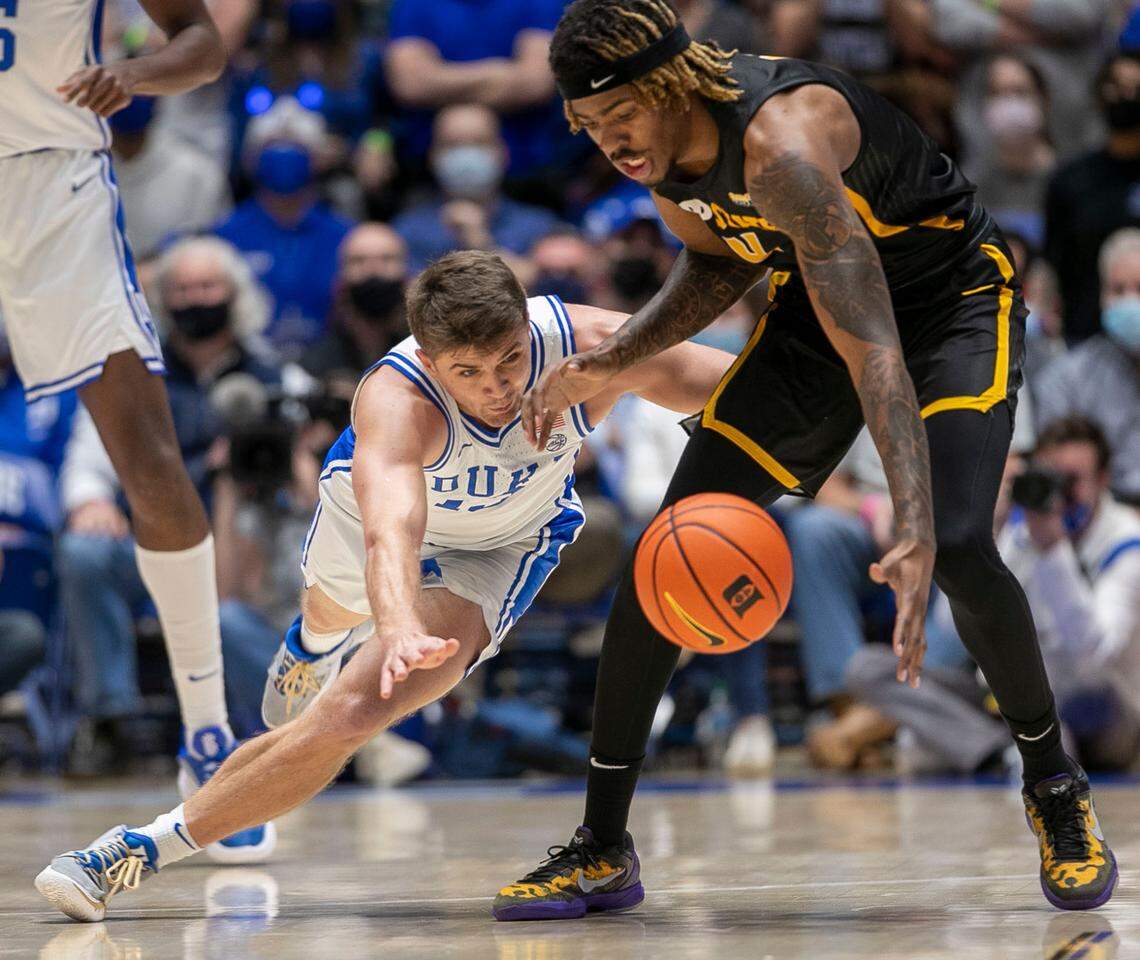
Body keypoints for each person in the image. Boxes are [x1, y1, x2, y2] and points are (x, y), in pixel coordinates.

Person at [505, 0, 1117, 918]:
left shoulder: (781, 147)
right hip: (821, 307)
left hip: (949, 303)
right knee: (661, 557)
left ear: (668, 86)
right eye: (588, 126)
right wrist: (616, 356)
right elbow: (719, 261)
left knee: (956, 544)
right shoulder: (664, 155)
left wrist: (911, 525)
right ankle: (601, 847)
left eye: (619, 115)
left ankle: (1055, 789)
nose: (610, 143)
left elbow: (877, 351)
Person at [33, 250, 736, 923]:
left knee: (351, 714)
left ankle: (133, 851)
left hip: (500, 545)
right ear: (429, 360)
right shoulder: (398, 398)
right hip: (370, 523)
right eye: (469, 372)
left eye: (510, 359)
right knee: (333, 611)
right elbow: (391, 534)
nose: (497, 387)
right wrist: (397, 626)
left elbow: (750, 389)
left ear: (530, 328)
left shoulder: (597, 347)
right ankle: (313, 643)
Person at [0, 0, 271, 859]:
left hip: (51, 181)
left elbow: (202, 41)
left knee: (147, 460)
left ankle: (207, 737)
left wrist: (134, 74)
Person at [57, 238, 280, 845]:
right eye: (182, 290)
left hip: (246, 556)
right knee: (84, 552)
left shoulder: (277, 375)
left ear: (234, 296)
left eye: (208, 288)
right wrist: (92, 500)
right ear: (163, 300)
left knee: (234, 615)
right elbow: (87, 454)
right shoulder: (137, 372)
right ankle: (109, 719)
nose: (195, 300)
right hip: (151, 547)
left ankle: (281, 744)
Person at [214, 96, 355, 360]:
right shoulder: (224, 237)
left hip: (330, 361)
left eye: (296, 146)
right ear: (250, 158)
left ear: (319, 158)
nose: (284, 154)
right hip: (247, 363)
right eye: (272, 145)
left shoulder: (346, 237)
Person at [393, 104, 563, 275]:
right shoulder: (408, 230)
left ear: (503, 153)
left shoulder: (539, 227)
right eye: (452, 145)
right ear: (432, 156)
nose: (466, 156)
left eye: (479, 143)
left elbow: (541, 283)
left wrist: (480, 243)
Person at [1035, 228, 1140, 503]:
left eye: (1139, 288)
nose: (1130, 301)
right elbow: (1055, 470)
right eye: (1117, 289)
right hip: (1095, 516)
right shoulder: (1065, 379)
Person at [1044, 52, 1140, 342]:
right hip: (1085, 336)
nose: (1125, 97)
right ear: (1099, 96)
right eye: (1115, 87)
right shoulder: (1070, 181)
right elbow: (1055, 265)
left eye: (1135, 88)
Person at [108, 94, 232, 262]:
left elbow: (212, 250)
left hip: (173, 275)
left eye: (140, 92)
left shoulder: (198, 172)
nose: (127, 100)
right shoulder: (83, 171)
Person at [301, 224, 411, 381]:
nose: (373, 271)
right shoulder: (314, 367)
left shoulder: (429, 359)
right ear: (340, 279)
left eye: (386, 259)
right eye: (359, 261)